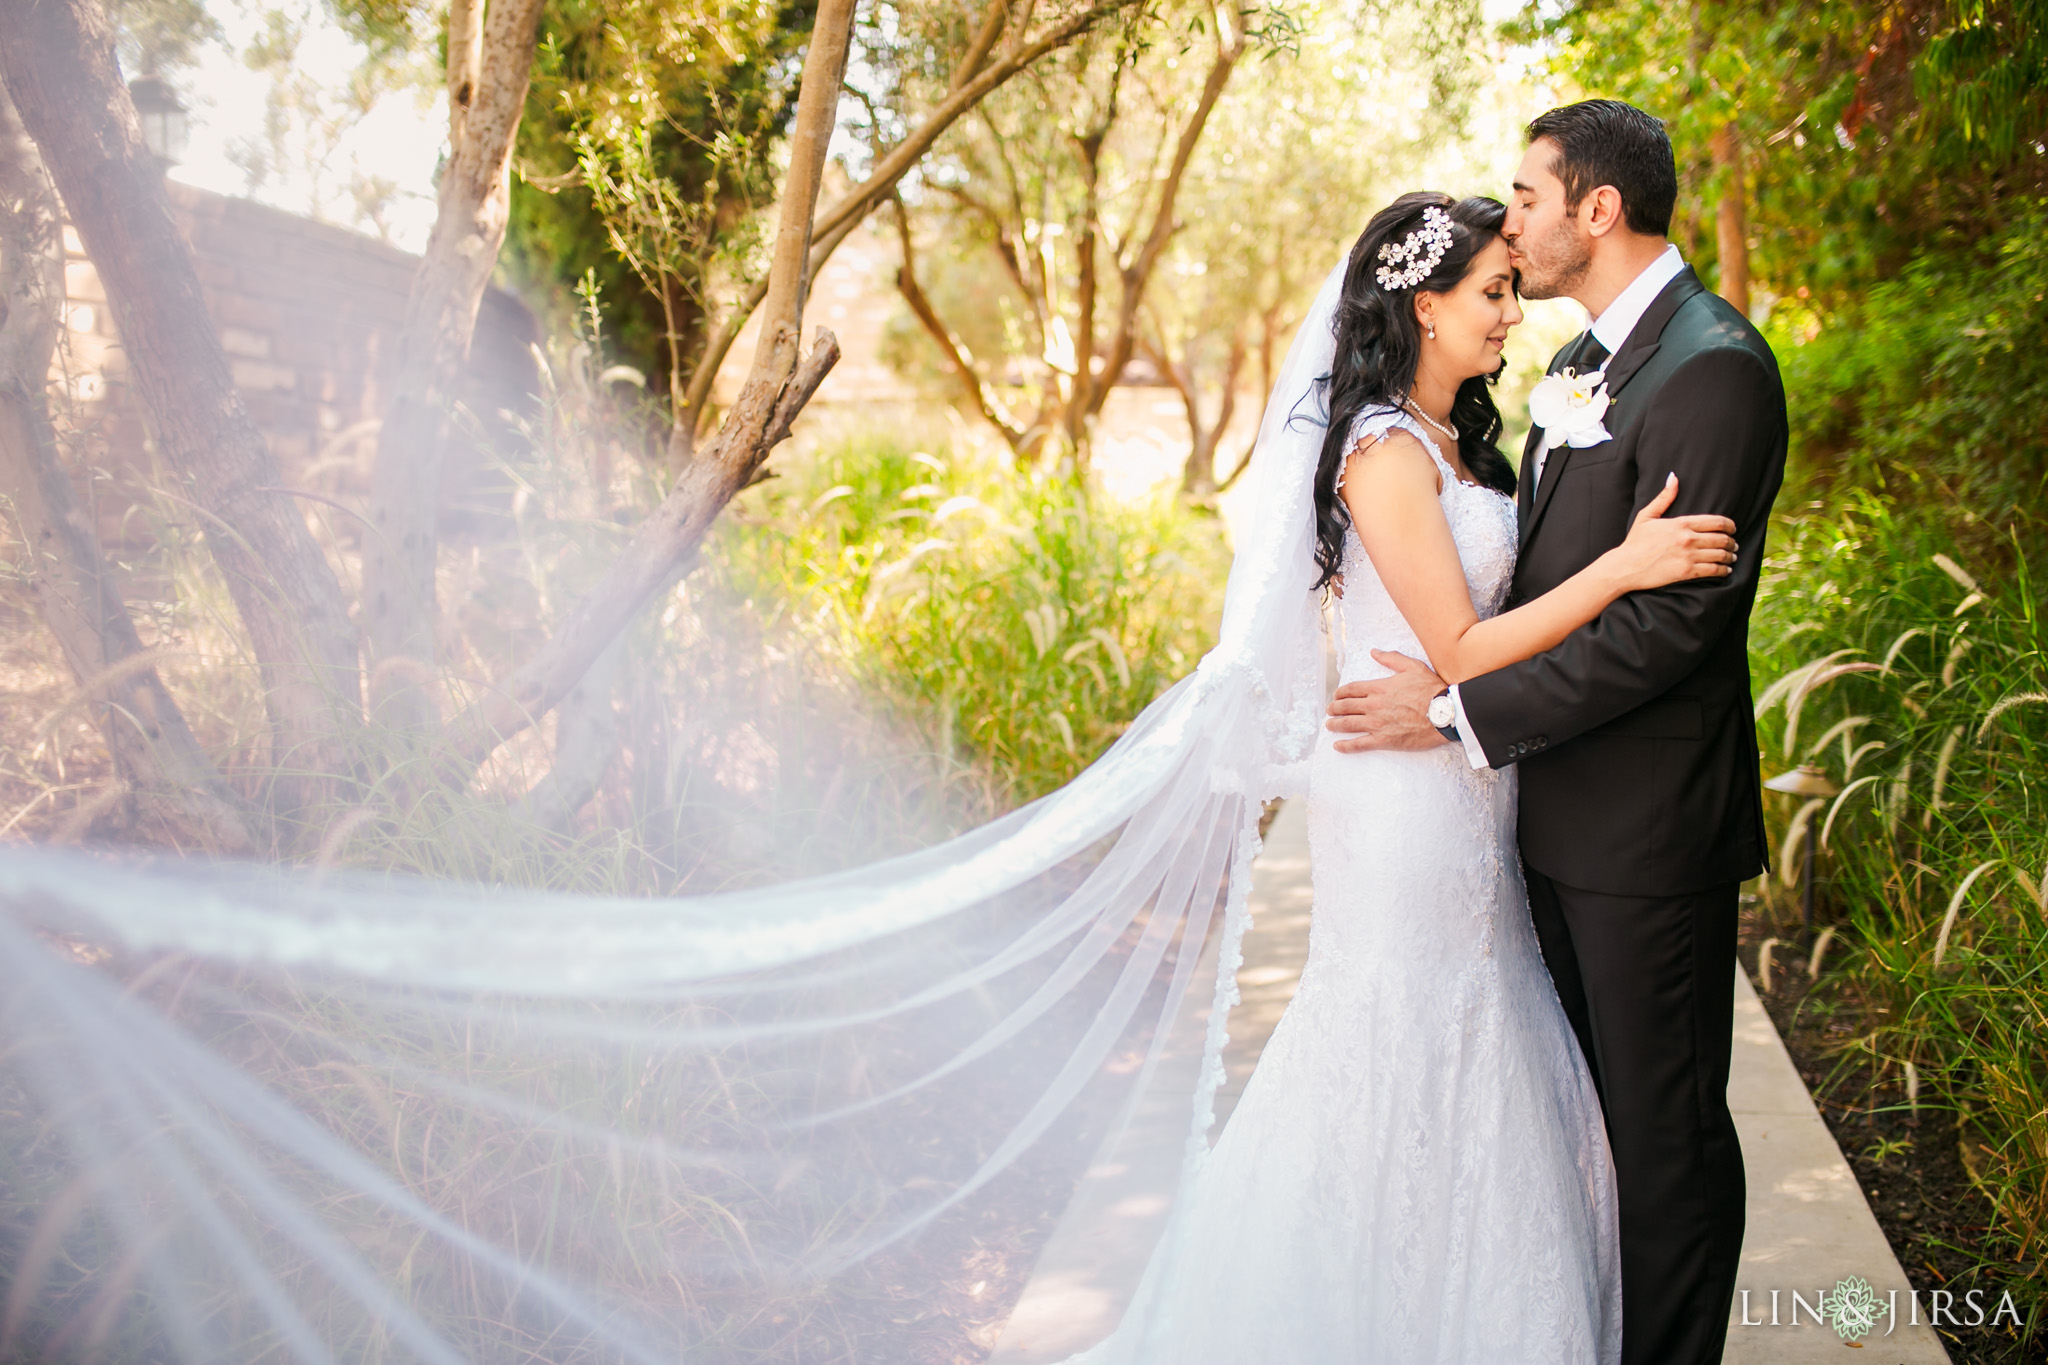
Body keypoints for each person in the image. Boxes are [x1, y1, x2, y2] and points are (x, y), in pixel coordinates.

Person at [1065, 185, 1739, 1364]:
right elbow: (1467, 648)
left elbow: (1471, 648)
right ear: (1422, 307)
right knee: (1395, 1032)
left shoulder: (1457, 442)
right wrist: (1626, 566)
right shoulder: (1378, 449)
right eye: (1487, 292)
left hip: (1467, 778)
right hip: (1401, 803)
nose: (1508, 312)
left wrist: (1459, 704)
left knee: (1486, 1038)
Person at [1327, 100, 1789, 1365]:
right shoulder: (1582, 367)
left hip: (1645, 836)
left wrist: (1457, 709)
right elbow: (1533, 583)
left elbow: (1667, 630)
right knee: (1578, 1135)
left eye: (1525, 198)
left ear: (1596, 210)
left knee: (1662, 1141)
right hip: (1538, 820)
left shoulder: (1714, 369)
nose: (1511, 222)